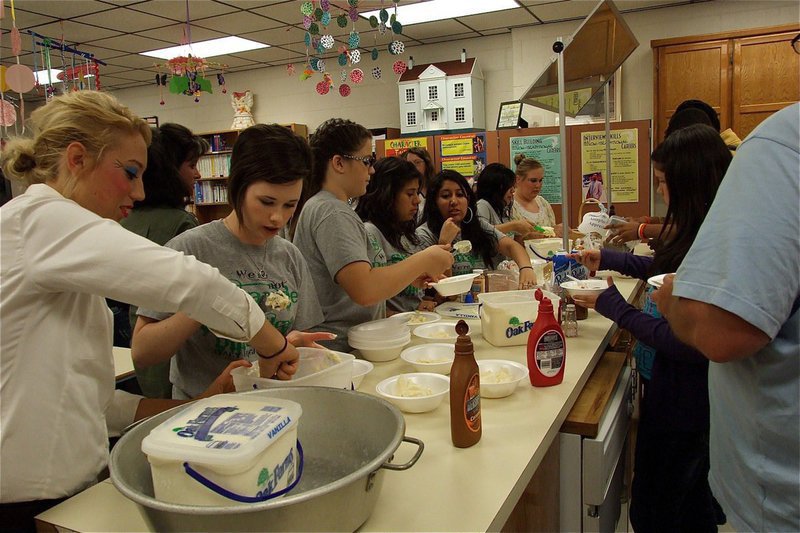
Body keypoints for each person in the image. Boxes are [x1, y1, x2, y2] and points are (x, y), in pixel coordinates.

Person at [0, 91, 298, 530]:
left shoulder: (57, 255)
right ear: (77, 159)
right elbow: (195, 283)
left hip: (63, 488)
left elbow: (92, 402)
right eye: (130, 173)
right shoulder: (40, 221)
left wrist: (197, 406)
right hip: (25, 499)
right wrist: (273, 345)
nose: (139, 192)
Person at [570, 124, 732, 532]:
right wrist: (608, 257)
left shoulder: (713, 245)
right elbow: (663, 268)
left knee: (658, 509)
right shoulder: (703, 228)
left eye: (662, 182)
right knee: (688, 501)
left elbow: (686, 342)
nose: (660, 192)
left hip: (687, 402)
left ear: (688, 182)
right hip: (677, 392)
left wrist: (616, 307)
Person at [652, 102, 799, 532]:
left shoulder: (779, 142)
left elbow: (722, 330)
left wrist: (667, 305)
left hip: (776, 497)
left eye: (662, 182)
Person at [132, 124, 331, 400]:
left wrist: (288, 344)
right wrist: (206, 302)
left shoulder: (289, 256)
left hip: (272, 404)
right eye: (266, 202)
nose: (277, 217)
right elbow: (142, 352)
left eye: (289, 205)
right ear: (237, 187)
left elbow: (297, 337)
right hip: (203, 408)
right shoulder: (190, 248)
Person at [291, 118, 452, 352]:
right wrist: (424, 259)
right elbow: (365, 290)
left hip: (351, 344)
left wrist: (409, 275)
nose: (372, 170)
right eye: (366, 161)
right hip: (339, 347)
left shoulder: (330, 208)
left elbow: (364, 277)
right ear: (339, 163)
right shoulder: (331, 211)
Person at [119, 123, 206, 398]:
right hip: (169, 353)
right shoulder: (182, 225)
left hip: (129, 348)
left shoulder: (124, 218)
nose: (197, 174)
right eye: (191, 165)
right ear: (170, 170)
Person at [416, 169, 536, 288]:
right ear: (434, 202)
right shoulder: (424, 234)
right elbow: (444, 291)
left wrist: (526, 268)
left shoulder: (477, 225)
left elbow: (511, 246)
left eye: (460, 195)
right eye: (446, 196)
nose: (454, 201)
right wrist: (444, 244)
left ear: (468, 199)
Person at [355, 156, 433, 313]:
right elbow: (371, 301)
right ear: (387, 195)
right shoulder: (370, 232)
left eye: (417, 193)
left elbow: (408, 295)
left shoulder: (404, 232)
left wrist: (419, 304)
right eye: (410, 194)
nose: (417, 201)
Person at [474, 162, 536, 241]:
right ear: (496, 188)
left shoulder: (503, 208)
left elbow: (509, 239)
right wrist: (514, 225)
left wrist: (529, 236)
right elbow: (480, 232)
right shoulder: (483, 205)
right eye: (508, 186)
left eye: (513, 186)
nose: (513, 190)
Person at [512, 154, 562, 238]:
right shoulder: (510, 206)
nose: (538, 185)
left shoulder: (543, 203)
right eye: (533, 181)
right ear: (518, 179)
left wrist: (557, 230)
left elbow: (552, 231)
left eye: (540, 180)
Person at [400, 146, 434, 223]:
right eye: (409, 164)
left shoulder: (435, 187)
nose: (413, 167)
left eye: (417, 162)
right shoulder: (403, 189)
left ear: (427, 164)